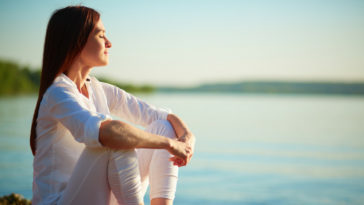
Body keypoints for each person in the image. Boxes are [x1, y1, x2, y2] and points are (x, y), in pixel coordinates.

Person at [30, 6, 195, 205]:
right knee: (114, 139)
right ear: (76, 41)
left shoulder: (100, 89)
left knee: (163, 128)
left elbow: (163, 117)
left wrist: (187, 136)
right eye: (101, 36)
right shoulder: (58, 93)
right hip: (61, 201)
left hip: (98, 197)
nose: (109, 43)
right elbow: (108, 133)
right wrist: (168, 144)